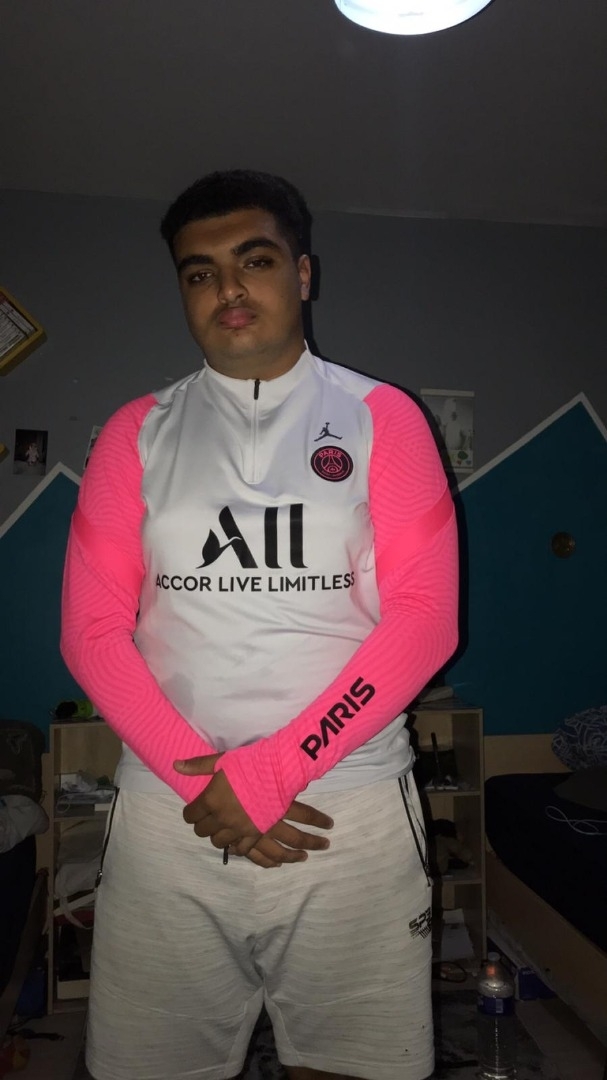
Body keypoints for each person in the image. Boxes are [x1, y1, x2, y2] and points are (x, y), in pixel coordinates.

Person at [61, 169, 459, 1080]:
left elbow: (425, 621)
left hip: (346, 810)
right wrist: (208, 779)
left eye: (255, 261)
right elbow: (90, 630)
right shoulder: (133, 432)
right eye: (199, 273)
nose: (228, 289)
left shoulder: (381, 417)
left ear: (303, 274)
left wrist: (274, 769)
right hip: (174, 815)